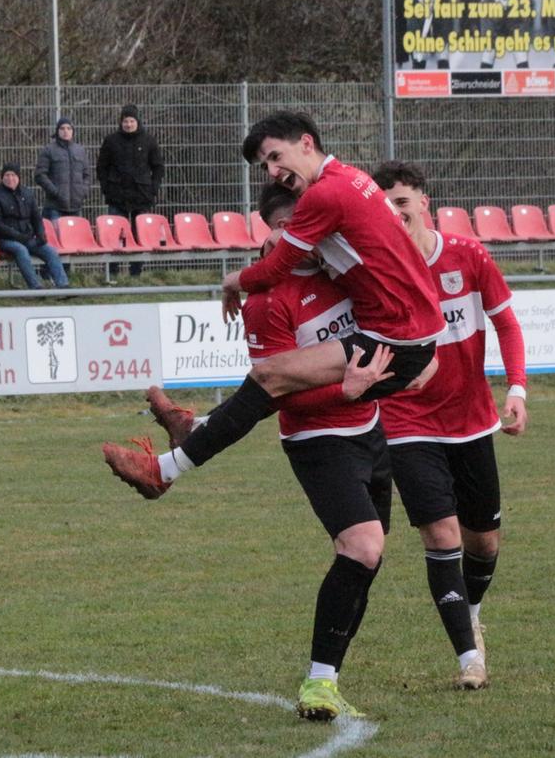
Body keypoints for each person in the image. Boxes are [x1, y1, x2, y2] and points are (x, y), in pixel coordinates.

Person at [103, 111, 444, 500]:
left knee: (270, 379)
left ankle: (163, 469)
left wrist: (234, 281)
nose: (272, 170)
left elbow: (278, 265)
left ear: (306, 143)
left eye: (276, 157)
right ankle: (192, 430)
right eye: (266, 164)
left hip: (397, 338)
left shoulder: (324, 194)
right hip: (407, 333)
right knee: (273, 384)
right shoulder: (352, 178)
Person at [149, 183, 389, 721]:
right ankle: (317, 686)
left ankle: (326, 681)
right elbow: (280, 391)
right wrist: (345, 390)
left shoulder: (342, 273)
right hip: (318, 439)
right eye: (288, 229)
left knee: (365, 562)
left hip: (372, 433)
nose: (300, 239)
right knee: (364, 547)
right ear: (275, 233)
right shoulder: (268, 302)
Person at [371, 160, 529, 690]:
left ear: (425, 205)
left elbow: (505, 321)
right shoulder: (377, 269)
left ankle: (474, 612)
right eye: (384, 205)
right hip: (406, 422)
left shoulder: (468, 256)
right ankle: (469, 659)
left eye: (402, 202)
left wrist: (518, 388)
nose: (395, 214)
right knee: (441, 536)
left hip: (471, 420)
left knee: (484, 543)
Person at [97, 104, 164, 276]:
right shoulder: (111, 141)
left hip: (141, 196)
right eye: (125, 121)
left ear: (137, 121)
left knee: (139, 234)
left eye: (131, 121)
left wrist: (152, 189)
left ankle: (136, 273)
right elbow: (101, 167)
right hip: (117, 196)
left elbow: (158, 167)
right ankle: (112, 271)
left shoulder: (148, 140)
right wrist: (107, 189)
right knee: (114, 235)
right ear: (121, 122)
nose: (128, 124)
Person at [0, 162, 70, 290]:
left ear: (19, 177)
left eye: (13, 175)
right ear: (1, 177)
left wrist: (40, 233)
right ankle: (35, 286)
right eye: (7, 175)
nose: (10, 178)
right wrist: (17, 236)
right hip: (5, 239)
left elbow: (36, 217)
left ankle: (63, 285)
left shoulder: (27, 193)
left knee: (50, 251)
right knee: (21, 250)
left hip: (27, 237)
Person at [35, 117, 92, 222]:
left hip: (76, 207)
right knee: (55, 237)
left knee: (74, 238)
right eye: (62, 128)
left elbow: (87, 175)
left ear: (73, 131)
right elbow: (40, 175)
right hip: (55, 207)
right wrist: (55, 192)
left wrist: (82, 192)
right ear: (57, 131)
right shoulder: (49, 150)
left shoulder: (80, 151)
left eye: (69, 128)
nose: (66, 131)